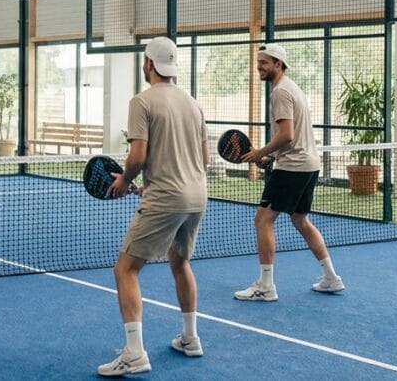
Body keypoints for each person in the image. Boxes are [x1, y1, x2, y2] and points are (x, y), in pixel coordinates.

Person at [98, 37, 209, 377]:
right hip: (197, 195)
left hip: (166, 198)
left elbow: (138, 156)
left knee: (125, 270)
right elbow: (203, 159)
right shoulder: (193, 104)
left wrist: (124, 181)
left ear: (148, 63)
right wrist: (151, 183)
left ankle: (134, 354)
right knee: (181, 262)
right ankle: (190, 338)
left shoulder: (142, 101)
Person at [234, 44, 343, 302]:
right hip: (308, 165)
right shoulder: (292, 88)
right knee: (300, 220)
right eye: (258, 62)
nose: (259, 66)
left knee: (263, 219)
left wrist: (260, 152)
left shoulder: (281, 92)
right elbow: (294, 138)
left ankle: (266, 286)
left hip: (293, 167)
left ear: (278, 64)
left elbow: (287, 135)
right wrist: (272, 156)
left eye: (264, 62)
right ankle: (331, 277)